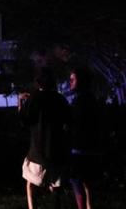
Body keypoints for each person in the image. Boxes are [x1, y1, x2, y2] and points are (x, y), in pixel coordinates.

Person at [19, 68, 70, 209]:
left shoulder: (33, 99)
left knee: (31, 183)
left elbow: (23, 121)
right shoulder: (60, 99)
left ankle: (32, 207)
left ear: (38, 83)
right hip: (57, 151)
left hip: (37, 151)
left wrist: (21, 103)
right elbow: (69, 120)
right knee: (56, 186)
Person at [68, 67, 101, 209]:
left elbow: (74, 123)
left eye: (73, 79)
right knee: (88, 184)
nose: (70, 82)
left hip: (80, 149)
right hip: (92, 148)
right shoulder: (92, 99)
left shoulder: (79, 101)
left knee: (77, 182)